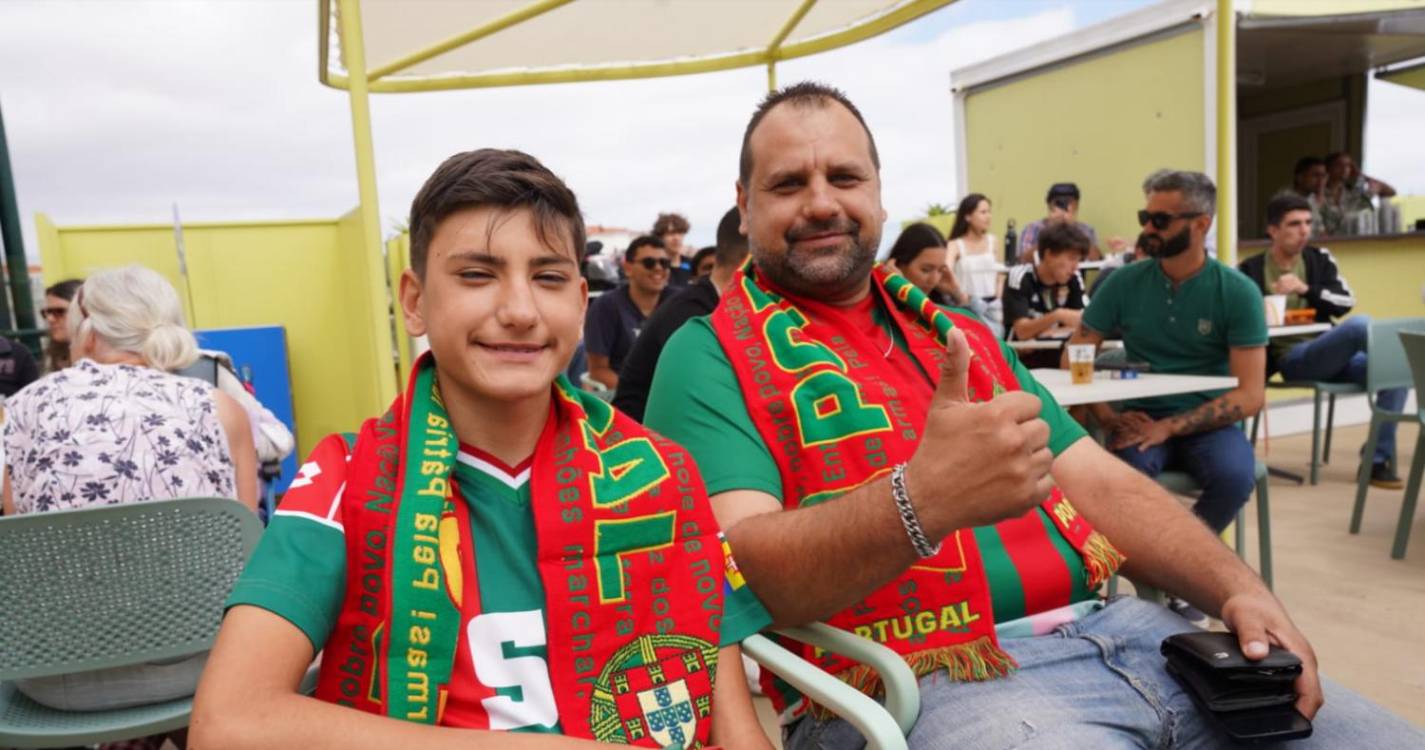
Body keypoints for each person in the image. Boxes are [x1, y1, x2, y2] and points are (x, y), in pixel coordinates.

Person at [644, 81, 1423, 749]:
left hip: (1135, 635)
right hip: (923, 683)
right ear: (744, 208)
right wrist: (919, 502)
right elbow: (747, 565)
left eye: (844, 177)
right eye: (787, 184)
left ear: (878, 194)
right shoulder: (706, 352)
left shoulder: (960, 335)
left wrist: (1236, 588)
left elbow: (1097, 483)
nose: (821, 203)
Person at [191, 149, 773, 749]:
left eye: (547, 278)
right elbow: (229, 722)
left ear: (579, 300)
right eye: (477, 274)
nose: (519, 311)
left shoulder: (660, 472)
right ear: (414, 301)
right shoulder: (347, 475)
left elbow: (731, 720)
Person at [2, 265, 256, 718]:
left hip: (56, 679)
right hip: (204, 665)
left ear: (90, 331)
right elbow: (243, 544)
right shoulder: (219, 409)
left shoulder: (20, 410)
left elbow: (18, 532)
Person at [1071, 171, 1265, 540]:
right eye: (1145, 218)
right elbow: (1076, 355)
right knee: (1117, 482)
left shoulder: (1238, 292)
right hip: (1138, 417)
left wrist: (1169, 428)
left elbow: (1251, 395)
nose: (1148, 230)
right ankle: (1166, 573)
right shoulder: (1122, 282)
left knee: (1235, 477)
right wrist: (1107, 417)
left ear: (1201, 224)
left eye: (1160, 220)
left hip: (1210, 424)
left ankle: (1182, 570)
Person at [1238, 193, 1408, 489]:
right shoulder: (1250, 270)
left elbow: (1345, 301)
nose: (1304, 230)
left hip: (1332, 351)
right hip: (1293, 358)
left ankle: (1375, 461)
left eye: (1307, 222)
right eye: (1294, 224)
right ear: (1273, 231)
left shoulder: (1319, 259)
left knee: (1396, 372)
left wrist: (1306, 288)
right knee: (1360, 326)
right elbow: (1239, 321)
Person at [613, 208, 749, 422]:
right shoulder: (694, 318)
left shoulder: (704, 306)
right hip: (641, 440)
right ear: (751, 260)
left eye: (664, 263)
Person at [582, 234, 675, 389]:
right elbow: (598, 370)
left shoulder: (678, 302)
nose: (658, 268)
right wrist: (638, 395)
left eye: (664, 263)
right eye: (649, 262)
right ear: (628, 268)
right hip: (626, 398)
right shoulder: (605, 306)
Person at [1001, 221, 1088, 369]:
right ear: (1049, 254)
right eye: (1072, 258)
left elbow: (1081, 323)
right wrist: (1057, 316)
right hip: (1024, 363)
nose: (1075, 266)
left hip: (1061, 359)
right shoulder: (1020, 277)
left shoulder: (1074, 278)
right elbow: (1022, 331)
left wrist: (1041, 330)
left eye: (1079, 260)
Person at [942, 194, 1001, 334]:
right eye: (983, 212)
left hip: (993, 308)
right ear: (968, 216)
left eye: (989, 212)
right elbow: (946, 270)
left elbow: (999, 274)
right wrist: (961, 296)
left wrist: (998, 299)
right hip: (966, 307)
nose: (988, 216)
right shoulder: (955, 245)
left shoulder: (993, 241)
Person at [1017, 182, 1102, 262]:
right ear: (1050, 207)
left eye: (1069, 204)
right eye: (1059, 204)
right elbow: (1023, 259)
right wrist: (1052, 232)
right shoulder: (1033, 229)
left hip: (1074, 276)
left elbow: (1096, 258)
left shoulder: (1085, 230)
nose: (1063, 208)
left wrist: (1072, 230)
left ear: (1076, 207)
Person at [1320, 151, 1396, 237]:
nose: (1345, 169)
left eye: (1348, 165)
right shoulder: (1318, 193)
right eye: (1339, 165)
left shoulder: (1351, 193)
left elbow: (1391, 192)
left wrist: (1360, 174)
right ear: (1328, 168)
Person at [883, 222, 949, 303]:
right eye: (926, 270)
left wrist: (957, 294)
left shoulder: (940, 301)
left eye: (940, 271)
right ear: (899, 265)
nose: (934, 280)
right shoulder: (878, 304)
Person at [1272, 156, 1327, 234]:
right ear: (1300, 177)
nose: (1321, 181)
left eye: (1323, 176)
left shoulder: (1313, 197)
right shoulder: (1284, 199)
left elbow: (1321, 230)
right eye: (1316, 175)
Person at [40, 277, 84, 372]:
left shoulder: (111, 356)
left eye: (59, 311)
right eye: (46, 313)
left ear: (84, 311)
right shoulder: (52, 354)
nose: (50, 319)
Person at [653, 211, 694, 285]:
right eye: (671, 233)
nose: (676, 238)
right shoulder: (654, 267)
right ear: (660, 237)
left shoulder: (692, 265)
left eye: (680, 233)